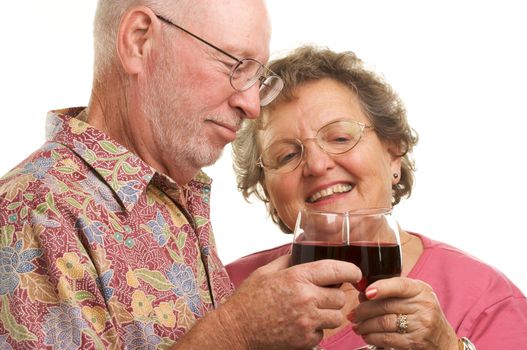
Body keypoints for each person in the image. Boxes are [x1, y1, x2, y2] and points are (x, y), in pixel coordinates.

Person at [0, 2, 364, 349]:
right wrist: (237, 333)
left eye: (257, 78)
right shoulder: (33, 211)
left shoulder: (174, 193)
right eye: (234, 65)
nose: (251, 106)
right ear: (139, 41)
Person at [227, 46, 527, 350]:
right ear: (267, 189)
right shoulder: (224, 292)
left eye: (340, 138)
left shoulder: (487, 299)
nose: (317, 165)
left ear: (394, 153)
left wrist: (449, 347)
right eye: (287, 154)